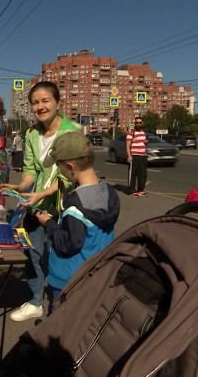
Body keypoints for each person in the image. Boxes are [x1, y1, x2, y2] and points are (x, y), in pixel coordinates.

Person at [0, 81, 80, 322]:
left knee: (60, 256)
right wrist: (21, 187)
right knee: (33, 253)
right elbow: (30, 170)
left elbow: (73, 174)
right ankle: (36, 302)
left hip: (64, 207)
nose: (40, 106)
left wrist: (42, 194)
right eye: (35, 102)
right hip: (36, 206)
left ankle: (65, 304)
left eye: (45, 101)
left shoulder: (72, 130)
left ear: (58, 102)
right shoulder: (32, 133)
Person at [35, 131, 120, 312]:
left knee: (60, 326)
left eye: (60, 168)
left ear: (71, 167)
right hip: (95, 273)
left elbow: (67, 243)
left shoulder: (75, 207)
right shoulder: (107, 193)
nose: (60, 171)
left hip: (68, 278)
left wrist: (48, 223)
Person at [126, 116, 149, 197]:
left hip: (143, 156)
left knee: (143, 174)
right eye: (137, 123)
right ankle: (132, 191)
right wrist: (129, 155)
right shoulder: (131, 132)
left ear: (142, 123)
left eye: (140, 122)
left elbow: (144, 142)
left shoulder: (144, 132)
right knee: (132, 174)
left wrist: (146, 142)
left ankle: (140, 190)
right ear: (134, 123)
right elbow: (128, 144)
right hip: (134, 156)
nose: (138, 124)